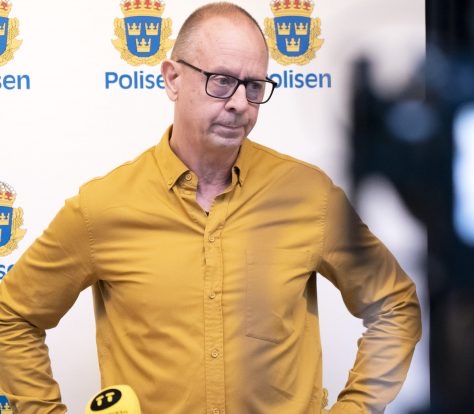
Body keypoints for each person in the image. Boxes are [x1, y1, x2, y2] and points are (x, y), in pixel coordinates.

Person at [0, 2, 422, 413]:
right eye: (221, 80)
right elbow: (11, 315)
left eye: (254, 86)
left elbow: (395, 304)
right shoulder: (102, 208)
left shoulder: (308, 194)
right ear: (172, 78)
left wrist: (357, 408)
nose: (239, 103)